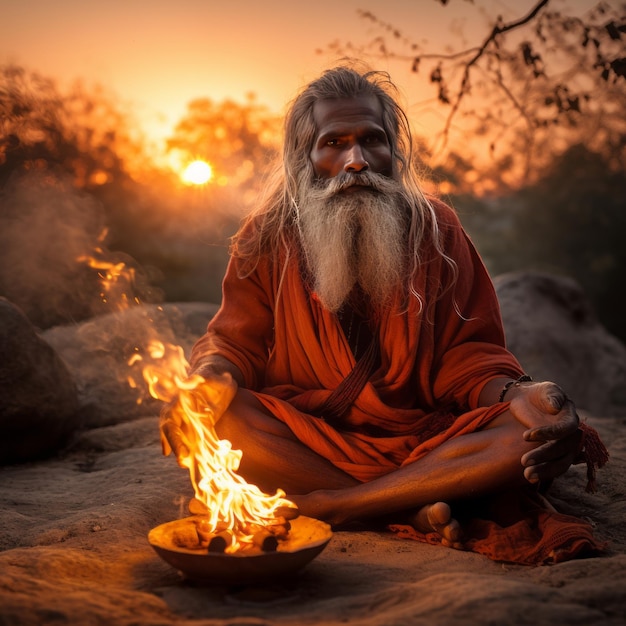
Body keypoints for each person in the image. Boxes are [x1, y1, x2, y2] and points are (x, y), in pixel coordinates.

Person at [161, 65, 607, 563]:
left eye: (372, 140)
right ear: (305, 157)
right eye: (334, 143)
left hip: (424, 441)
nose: (356, 161)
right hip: (310, 440)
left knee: (534, 434)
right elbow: (233, 342)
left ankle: (341, 504)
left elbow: (469, 355)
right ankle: (410, 500)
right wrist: (211, 379)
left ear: (394, 150)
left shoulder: (438, 229)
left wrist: (521, 393)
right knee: (223, 422)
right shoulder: (265, 236)